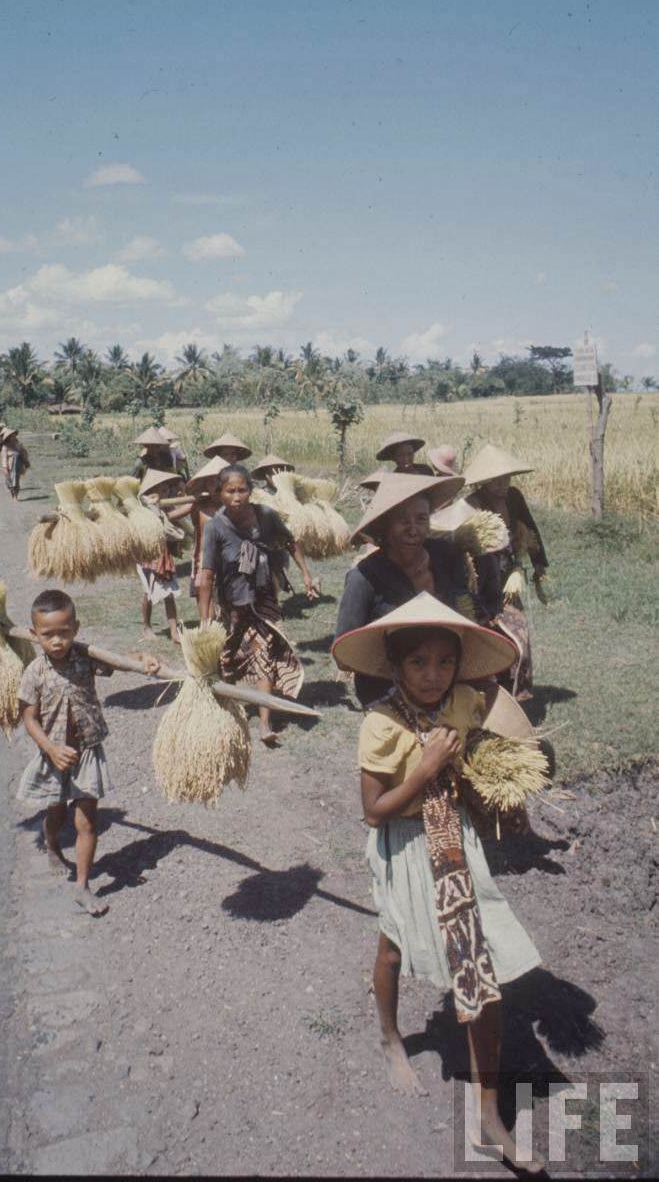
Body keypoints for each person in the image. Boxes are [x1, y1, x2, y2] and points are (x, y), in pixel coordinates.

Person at [332, 592, 542, 1171]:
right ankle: (391, 1037)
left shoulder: (463, 703)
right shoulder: (381, 724)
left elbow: (483, 745)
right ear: (396, 666)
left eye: (445, 662)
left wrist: (492, 779)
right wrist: (424, 768)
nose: (433, 675)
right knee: (392, 946)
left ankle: (489, 1115)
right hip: (403, 847)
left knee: (479, 966)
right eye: (418, 663)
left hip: (456, 842)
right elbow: (374, 811)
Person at [17, 589, 161, 915]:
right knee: (56, 813)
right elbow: (29, 718)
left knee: (87, 822)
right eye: (48, 634)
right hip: (54, 754)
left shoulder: (84, 658)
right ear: (34, 634)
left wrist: (143, 658)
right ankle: (52, 845)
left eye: (64, 632)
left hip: (87, 751)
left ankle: (82, 887)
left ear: (76, 628)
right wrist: (51, 749)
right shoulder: (34, 672)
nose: (57, 641)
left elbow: (119, 662)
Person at [197, 463, 317, 746]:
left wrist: (306, 574)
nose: (237, 497)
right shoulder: (215, 527)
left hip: (264, 598)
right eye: (230, 491)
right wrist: (204, 619)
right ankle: (226, 710)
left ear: (250, 490)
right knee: (227, 658)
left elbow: (290, 542)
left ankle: (264, 722)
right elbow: (207, 574)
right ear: (220, 493)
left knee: (265, 654)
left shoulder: (265, 516)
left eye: (242, 490)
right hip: (232, 604)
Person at [333, 473, 474, 707]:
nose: (413, 529)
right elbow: (343, 654)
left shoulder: (447, 556)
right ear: (385, 525)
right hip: (386, 693)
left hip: (443, 684)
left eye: (421, 519)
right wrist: (400, 664)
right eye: (402, 520)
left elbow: (464, 608)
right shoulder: (364, 578)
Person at [465, 444, 548, 701]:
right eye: (496, 479)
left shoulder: (514, 497)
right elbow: (464, 545)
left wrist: (538, 563)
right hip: (480, 579)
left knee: (518, 633)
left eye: (506, 478)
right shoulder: (472, 503)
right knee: (486, 633)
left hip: (508, 577)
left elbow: (529, 528)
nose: (503, 484)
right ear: (485, 480)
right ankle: (485, 691)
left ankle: (515, 691)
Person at [136, 468, 194, 643]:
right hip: (146, 556)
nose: (164, 493)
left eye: (166, 490)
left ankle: (174, 631)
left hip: (163, 556)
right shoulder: (142, 510)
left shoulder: (165, 509)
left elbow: (178, 517)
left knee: (169, 594)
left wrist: (194, 500)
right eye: (161, 490)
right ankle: (146, 626)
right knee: (148, 593)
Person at [184, 455, 229, 604]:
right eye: (210, 482)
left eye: (218, 482)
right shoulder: (199, 507)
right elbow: (172, 516)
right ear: (205, 486)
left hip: (228, 562)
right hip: (202, 563)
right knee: (206, 605)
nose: (215, 486)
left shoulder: (234, 508)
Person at [0, 428, 29, 499]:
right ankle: (12, 492)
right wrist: (5, 468)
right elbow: (4, 458)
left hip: (18, 466)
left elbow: (24, 454)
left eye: (14, 435)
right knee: (9, 482)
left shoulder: (18, 445)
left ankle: (16, 496)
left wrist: (26, 462)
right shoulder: (5, 447)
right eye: (12, 436)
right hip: (9, 467)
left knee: (16, 481)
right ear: (8, 437)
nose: (13, 437)